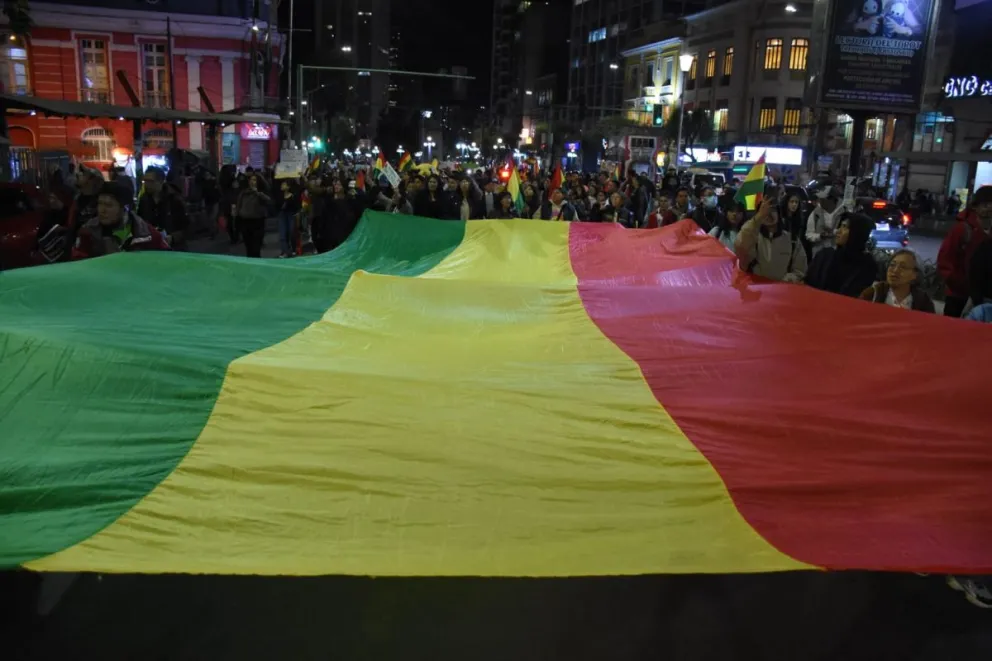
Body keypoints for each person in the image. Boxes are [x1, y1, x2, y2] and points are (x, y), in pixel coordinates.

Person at [937, 185, 992, 317]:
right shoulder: (962, 229)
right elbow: (945, 261)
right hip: (958, 296)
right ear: (975, 207)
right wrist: (962, 286)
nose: (989, 208)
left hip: (984, 298)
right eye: (985, 205)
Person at [74, 182, 169, 258]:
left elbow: (166, 259)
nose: (102, 210)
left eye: (109, 205)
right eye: (100, 204)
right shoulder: (87, 232)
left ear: (125, 208)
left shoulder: (147, 234)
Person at [36, 165, 104, 263]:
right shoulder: (77, 199)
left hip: (92, 257)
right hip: (73, 254)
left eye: (83, 173)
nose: (78, 174)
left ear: (92, 180)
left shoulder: (99, 203)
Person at [734, 196, 807, 283]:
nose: (768, 214)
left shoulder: (792, 240)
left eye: (772, 210)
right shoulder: (753, 237)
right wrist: (758, 218)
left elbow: (800, 271)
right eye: (764, 210)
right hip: (755, 290)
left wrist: (785, 281)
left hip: (781, 292)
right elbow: (740, 247)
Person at [805, 213, 877, 297]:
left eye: (844, 227)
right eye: (840, 226)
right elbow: (808, 283)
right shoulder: (824, 256)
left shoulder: (868, 266)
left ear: (857, 232)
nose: (838, 231)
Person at [860, 248, 935, 313]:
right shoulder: (872, 294)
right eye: (892, 265)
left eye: (903, 267)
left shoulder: (924, 303)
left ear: (915, 274)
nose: (895, 270)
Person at [137, 166, 189, 250]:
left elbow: (187, 227)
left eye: (150, 181)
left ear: (161, 181)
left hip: (174, 248)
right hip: (151, 247)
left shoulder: (174, 199)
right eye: (145, 181)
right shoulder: (144, 200)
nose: (147, 184)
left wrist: (172, 238)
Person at [235, 174, 271, 258]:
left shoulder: (261, 192)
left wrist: (258, 193)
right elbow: (239, 205)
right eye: (251, 180)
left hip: (257, 222)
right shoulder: (244, 193)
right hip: (245, 222)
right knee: (248, 246)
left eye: (254, 180)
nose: (252, 182)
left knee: (256, 247)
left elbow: (269, 201)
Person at [805, 189, 848, 257]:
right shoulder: (815, 213)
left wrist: (834, 232)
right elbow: (808, 234)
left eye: (822, 199)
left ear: (832, 200)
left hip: (836, 255)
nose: (820, 201)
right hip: (819, 255)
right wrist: (820, 236)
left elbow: (848, 234)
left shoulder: (844, 214)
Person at [277, 180, 300, 258]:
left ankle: (293, 249)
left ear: (288, 187)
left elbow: (296, 207)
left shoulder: (293, 196)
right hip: (282, 215)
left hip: (290, 215)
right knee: (283, 234)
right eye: (282, 184)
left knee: (291, 232)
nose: (282, 186)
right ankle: (285, 251)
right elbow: (276, 205)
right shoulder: (279, 196)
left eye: (284, 184)